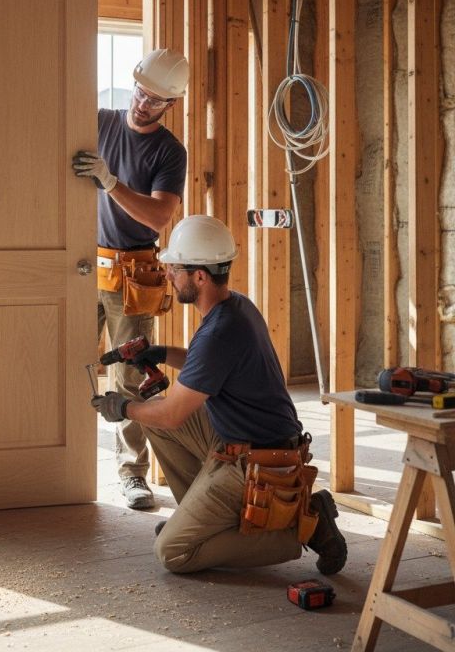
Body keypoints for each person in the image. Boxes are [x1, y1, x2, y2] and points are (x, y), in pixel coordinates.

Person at [90, 215, 348, 575]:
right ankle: (202, 523)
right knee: (155, 413)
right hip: (251, 441)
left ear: (199, 276)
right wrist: (162, 353)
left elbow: (172, 415)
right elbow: (207, 367)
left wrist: (122, 407)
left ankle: (304, 528)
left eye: (175, 268)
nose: (168, 275)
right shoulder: (235, 307)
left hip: (257, 462)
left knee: (174, 553)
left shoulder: (219, 332)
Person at [73, 49, 189, 510]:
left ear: (169, 105)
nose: (143, 104)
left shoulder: (168, 151)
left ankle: (132, 473)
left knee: (130, 376)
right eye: (141, 92)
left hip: (134, 272)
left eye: (156, 100)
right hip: (83, 262)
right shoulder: (98, 121)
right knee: (66, 362)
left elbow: (160, 214)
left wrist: (110, 181)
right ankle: (54, 466)